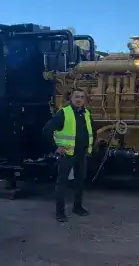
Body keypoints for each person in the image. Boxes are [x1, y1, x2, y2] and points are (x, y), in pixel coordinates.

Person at [43, 88, 97, 222]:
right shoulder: (64, 113)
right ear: (71, 99)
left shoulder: (86, 113)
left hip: (81, 153)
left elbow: (92, 131)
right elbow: (46, 130)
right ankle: (60, 212)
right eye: (76, 97)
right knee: (62, 183)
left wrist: (91, 145)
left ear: (85, 100)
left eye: (81, 97)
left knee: (80, 181)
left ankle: (77, 207)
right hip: (67, 154)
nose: (79, 100)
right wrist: (56, 147)